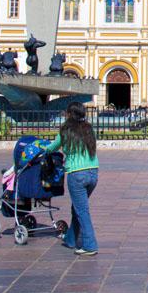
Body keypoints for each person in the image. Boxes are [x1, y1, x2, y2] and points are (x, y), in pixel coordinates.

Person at [44, 102, 99, 256]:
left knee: (82, 210)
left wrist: (45, 150)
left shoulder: (66, 130)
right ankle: (71, 239)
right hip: (93, 172)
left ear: (69, 114)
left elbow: (53, 146)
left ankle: (90, 245)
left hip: (76, 174)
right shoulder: (89, 128)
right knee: (78, 207)